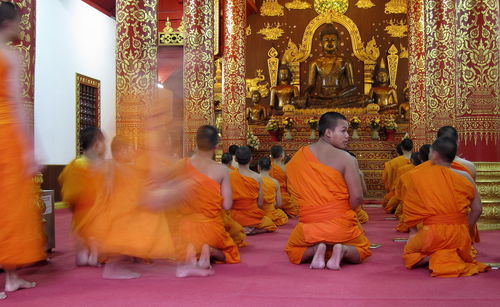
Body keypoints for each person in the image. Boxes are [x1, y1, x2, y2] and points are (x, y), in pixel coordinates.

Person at [285, 112, 371, 270]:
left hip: (309, 228)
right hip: (342, 227)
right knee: (362, 249)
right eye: (343, 131)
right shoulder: (347, 159)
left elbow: (295, 195)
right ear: (328, 132)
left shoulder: (298, 157)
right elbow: (357, 197)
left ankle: (316, 249)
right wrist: (339, 212)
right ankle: (342, 250)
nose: (347, 136)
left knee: (294, 250)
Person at [0, 2, 45, 299]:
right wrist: (31, 147)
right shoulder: (8, 55)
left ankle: (12, 277)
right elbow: (17, 103)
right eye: (18, 22)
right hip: (6, 133)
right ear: (8, 23)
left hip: (6, 134)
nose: (20, 28)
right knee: (9, 205)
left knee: (9, 205)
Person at [402, 137, 489, 277]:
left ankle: (434, 257)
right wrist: (464, 229)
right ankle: (451, 255)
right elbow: (477, 210)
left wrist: (413, 232)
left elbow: (411, 210)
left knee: (409, 252)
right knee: (453, 245)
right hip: (460, 236)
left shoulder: (418, 175)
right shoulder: (466, 176)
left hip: (433, 234)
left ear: (434, 154)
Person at [175, 126, 240, 277]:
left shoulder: (180, 166)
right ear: (217, 145)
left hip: (186, 228)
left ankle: (192, 251)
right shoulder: (222, 170)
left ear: (195, 142)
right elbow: (227, 205)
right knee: (232, 254)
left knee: (178, 245)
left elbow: (174, 198)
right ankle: (210, 250)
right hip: (212, 229)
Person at [59, 127, 107, 267]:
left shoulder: (73, 165)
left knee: (81, 226)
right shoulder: (101, 167)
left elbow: (69, 193)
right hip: (97, 213)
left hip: (79, 213)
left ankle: (83, 250)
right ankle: (94, 252)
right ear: (97, 144)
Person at [230, 146, 277, 235]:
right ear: (251, 159)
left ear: (235, 159)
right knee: (270, 224)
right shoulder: (257, 177)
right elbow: (260, 203)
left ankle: (239, 228)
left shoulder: (229, 176)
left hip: (235, 215)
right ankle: (252, 229)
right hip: (252, 214)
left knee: (227, 223)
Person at [395, 145, 430, 232]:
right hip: (441, 219)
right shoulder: (449, 173)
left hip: (416, 215)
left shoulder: (410, 175)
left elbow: (400, 196)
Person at [269, 145, 300, 217]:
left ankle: (279, 209)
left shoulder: (268, 167)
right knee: (297, 209)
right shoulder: (285, 168)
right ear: (282, 155)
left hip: (271, 196)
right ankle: (284, 209)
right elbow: (289, 185)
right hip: (283, 196)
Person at [382, 139, 413, 209]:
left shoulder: (392, 163)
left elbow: (385, 179)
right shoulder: (418, 160)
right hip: (414, 195)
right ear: (412, 147)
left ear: (401, 147)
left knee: (388, 203)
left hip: (396, 194)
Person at [258, 157, 289, 226]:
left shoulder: (253, 180)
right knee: (283, 217)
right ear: (270, 168)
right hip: (270, 212)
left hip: (257, 211)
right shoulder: (275, 182)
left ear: (258, 167)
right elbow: (279, 204)